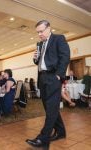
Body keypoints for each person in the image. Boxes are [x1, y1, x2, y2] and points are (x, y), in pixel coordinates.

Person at [26, 20, 70, 148]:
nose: (39, 34)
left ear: (49, 28)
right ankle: (61, 131)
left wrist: (58, 75)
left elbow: (65, 57)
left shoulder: (58, 39)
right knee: (50, 109)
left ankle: (43, 138)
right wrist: (35, 58)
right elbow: (40, 61)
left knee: (51, 110)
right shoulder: (40, 44)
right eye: (37, 32)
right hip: (42, 78)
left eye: (41, 31)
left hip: (53, 77)